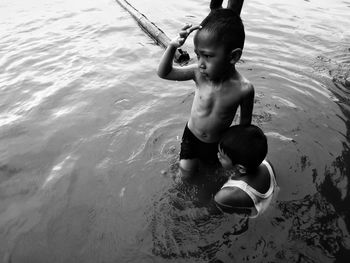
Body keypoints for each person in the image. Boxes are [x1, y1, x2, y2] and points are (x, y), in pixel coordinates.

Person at [157, 1, 254, 180]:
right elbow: (164, 73)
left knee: (214, 177)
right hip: (191, 136)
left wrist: (239, 157)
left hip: (217, 144)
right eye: (198, 54)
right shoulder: (198, 74)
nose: (200, 62)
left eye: (207, 56)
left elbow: (244, 127)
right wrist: (172, 47)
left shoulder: (244, 89)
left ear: (233, 56)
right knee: (185, 176)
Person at [214, 124, 277, 217]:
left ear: (241, 168)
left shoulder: (224, 196)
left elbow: (215, 210)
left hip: (255, 215)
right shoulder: (267, 163)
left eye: (222, 156)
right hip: (269, 200)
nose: (217, 155)